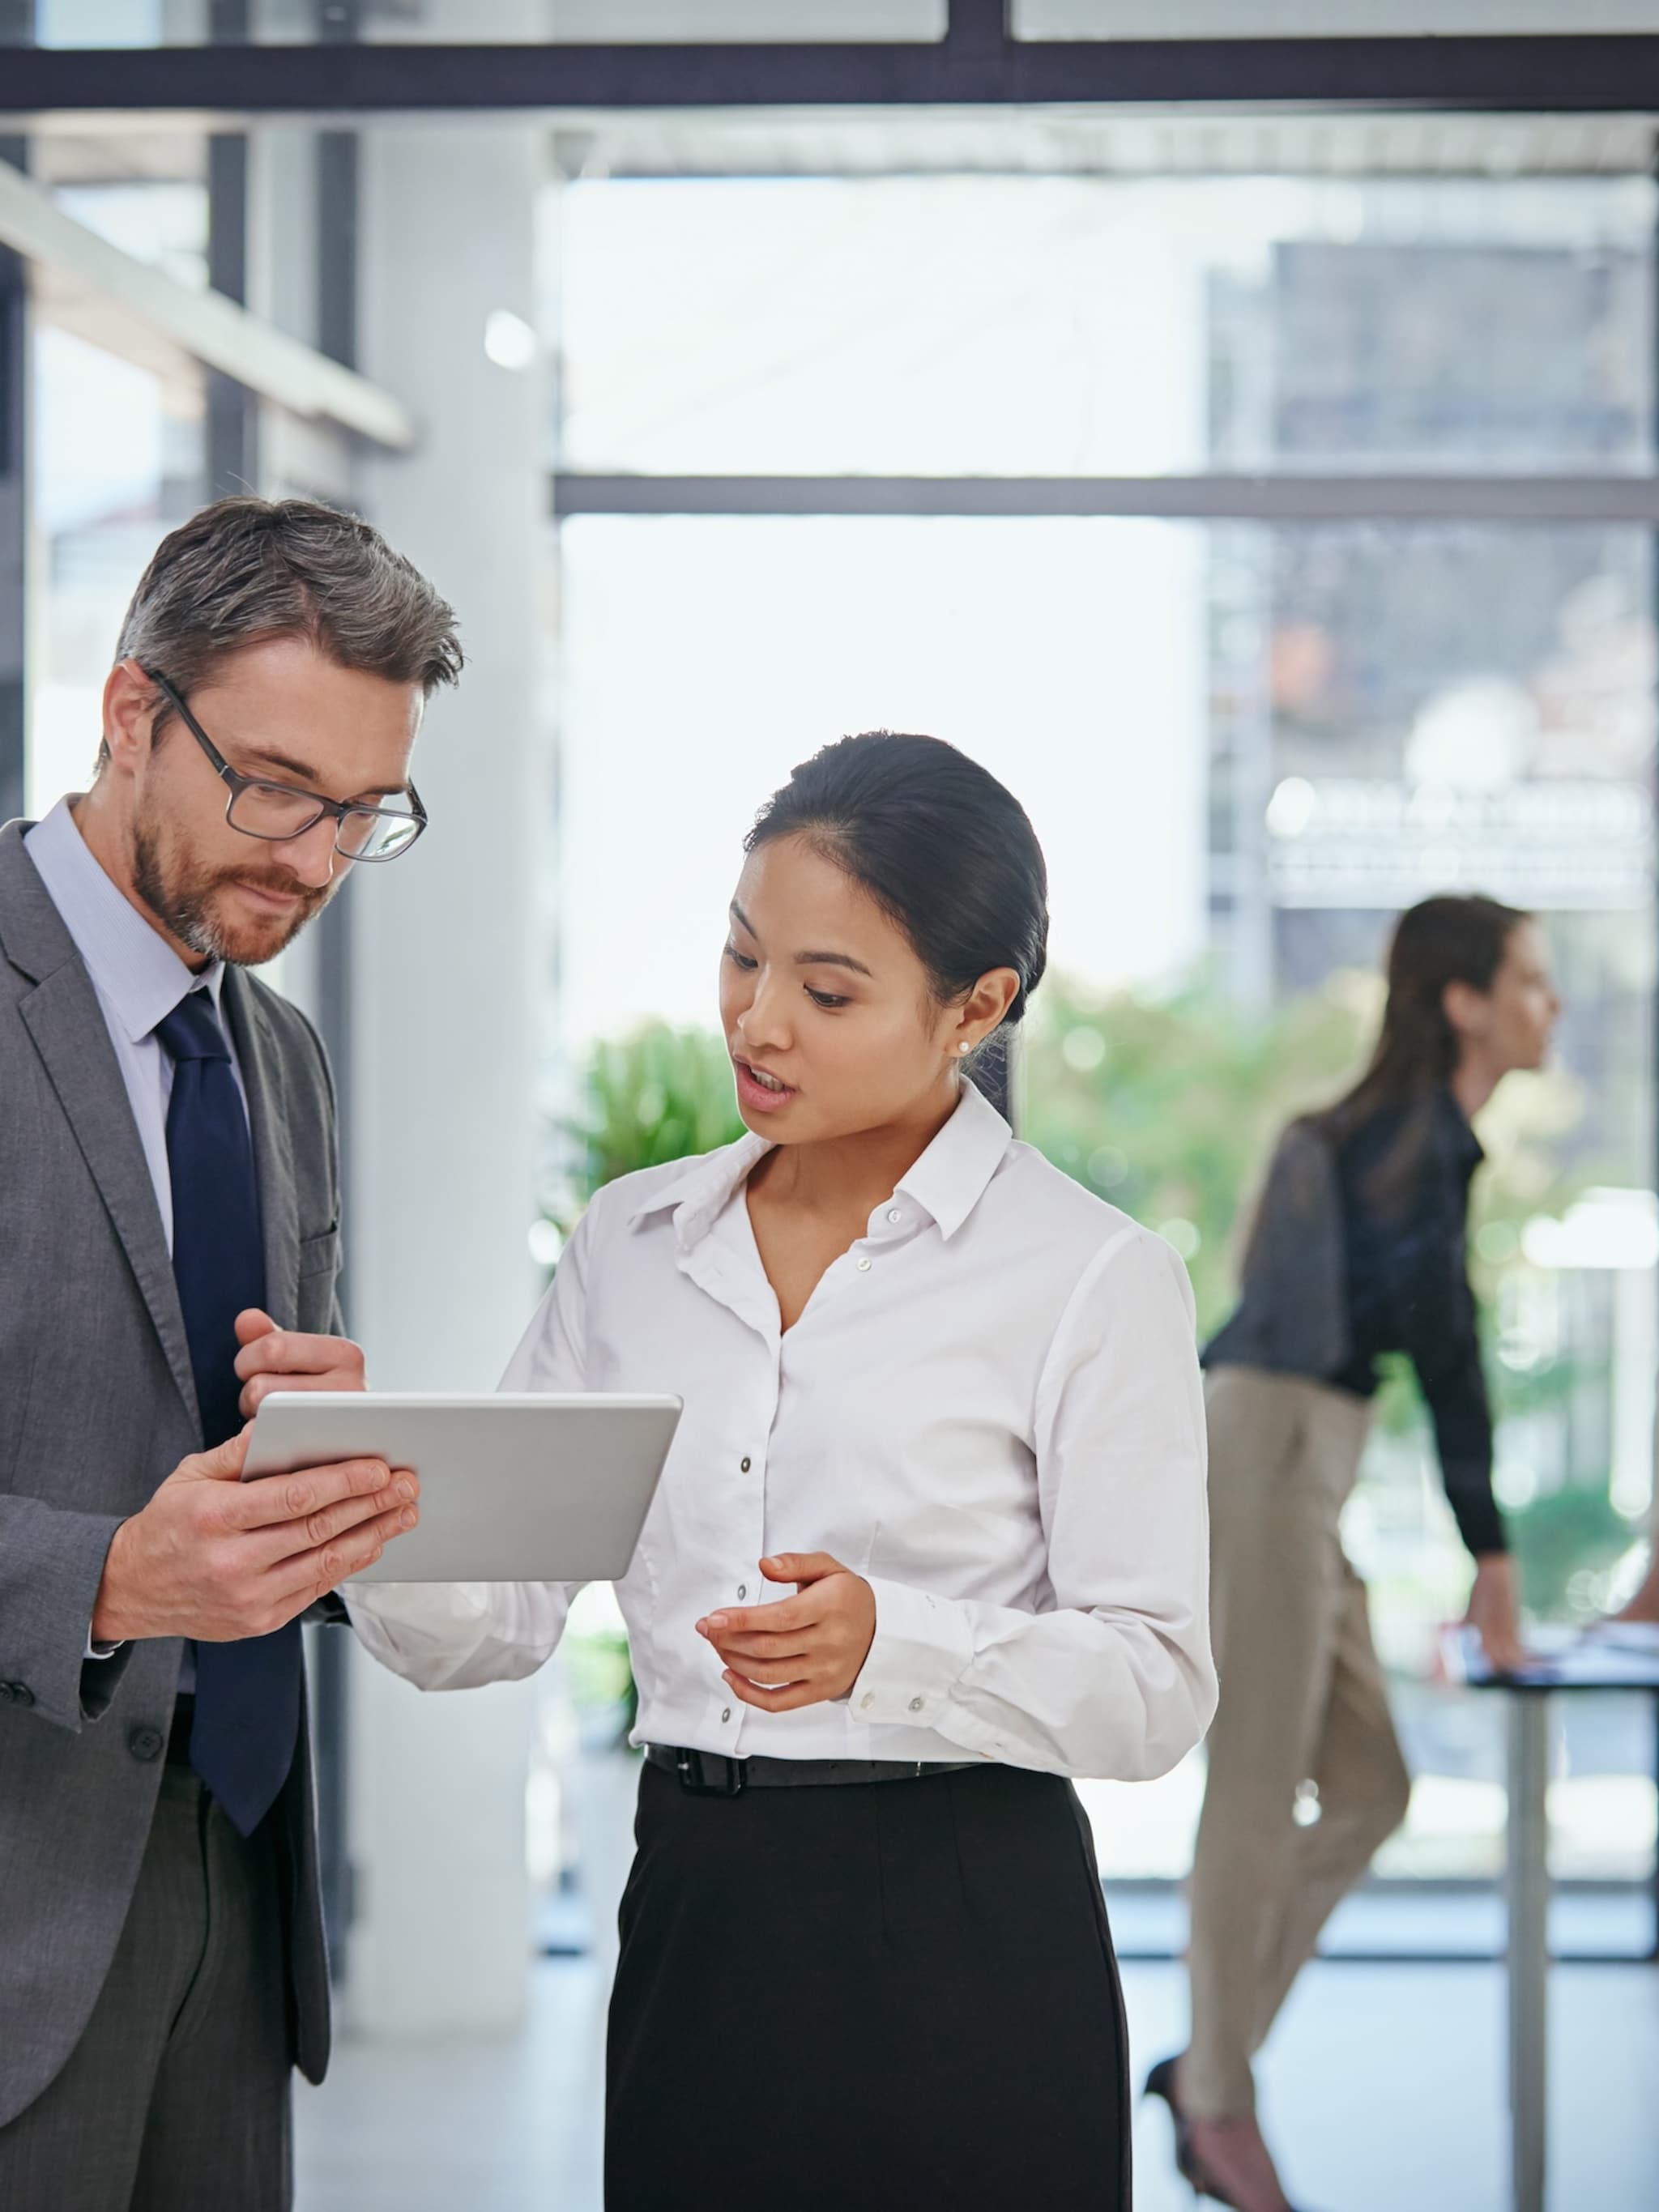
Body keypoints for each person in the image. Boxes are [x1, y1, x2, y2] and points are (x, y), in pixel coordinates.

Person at [350, 731, 1217, 2211]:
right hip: (700, 1907)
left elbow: (1156, 1690)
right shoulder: (631, 1248)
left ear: (975, 1008)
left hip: (970, 1921)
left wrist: (898, 1645)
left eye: (827, 992)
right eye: (742, 957)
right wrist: (371, 1506)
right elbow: (493, 1620)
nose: (757, 1022)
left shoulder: (1088, 1275)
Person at [0, 497, 454, 2209]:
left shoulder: (283, 1057)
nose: (314, 859)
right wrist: (108, 1579)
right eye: (274, 786)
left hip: (239, 1882)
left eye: (362, 810)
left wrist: (338, 1464)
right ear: (131, 711)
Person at [1146, 894, 1560, 2212]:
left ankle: (1207, 2062)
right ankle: (1220, 2103)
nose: (1550, 1005)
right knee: (1257, 1786)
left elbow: (1424, 1339)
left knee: (1373, 1785)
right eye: (1530, 981)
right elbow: (1446, 1349)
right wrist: (1492, 1556)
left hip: (1296, 1451)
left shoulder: (1393, 1134)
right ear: (1463, 1003)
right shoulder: (1412, 1142)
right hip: (1272, 1447)